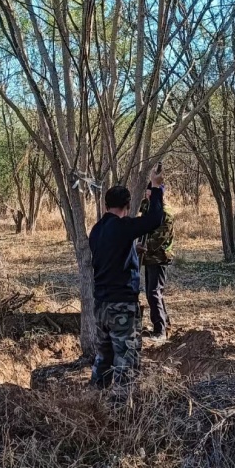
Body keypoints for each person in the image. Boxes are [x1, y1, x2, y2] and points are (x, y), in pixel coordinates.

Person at [89, 168, 165, 392]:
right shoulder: (122, 227)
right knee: (127, 362)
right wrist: (156, 188)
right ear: (128, 206)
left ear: (105, 205)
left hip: (100, 305)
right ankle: (121, 414)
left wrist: (132, 248)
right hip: (121, 305)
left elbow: (110, 254)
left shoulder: (97, 230)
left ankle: (93, 401)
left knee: (104, 357)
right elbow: (154, 220)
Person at [137, 188, 175, 344]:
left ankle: (160, 330)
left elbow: (158, 238)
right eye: (148, 192)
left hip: (159, 257)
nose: (149, 195)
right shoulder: (146, 208)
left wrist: (140, 246)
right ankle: (164, 325)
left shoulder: (166, 213)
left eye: (153, 193)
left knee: (154, 292)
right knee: (152, 292)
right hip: (148, 258)